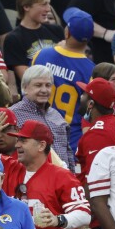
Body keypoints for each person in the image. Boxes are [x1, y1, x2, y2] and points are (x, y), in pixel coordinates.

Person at [30, 8, 95, 151]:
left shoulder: (41, 55)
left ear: (67, 32)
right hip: (69, 141)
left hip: (34, 136)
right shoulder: (92, 71)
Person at [9, 65, 73, 170]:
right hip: (30, 179)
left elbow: (68, 151)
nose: (44, 90)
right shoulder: (12, 114)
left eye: (48, 85)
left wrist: (72, 177)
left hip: (63, 180)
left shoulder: (57, 115)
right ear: (25, 88)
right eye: (38, 85)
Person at [1, 0, 64, 91]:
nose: (48, 9)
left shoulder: (57, 30)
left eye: (48, 4)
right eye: (43, 4)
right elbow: (27, 78)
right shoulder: (14, 38)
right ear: (26, 6)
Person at [75, 77, 115, 186]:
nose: (81, 97)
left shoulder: (97, 134)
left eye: (84, 94)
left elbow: (95, 180)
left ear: (90, 104)